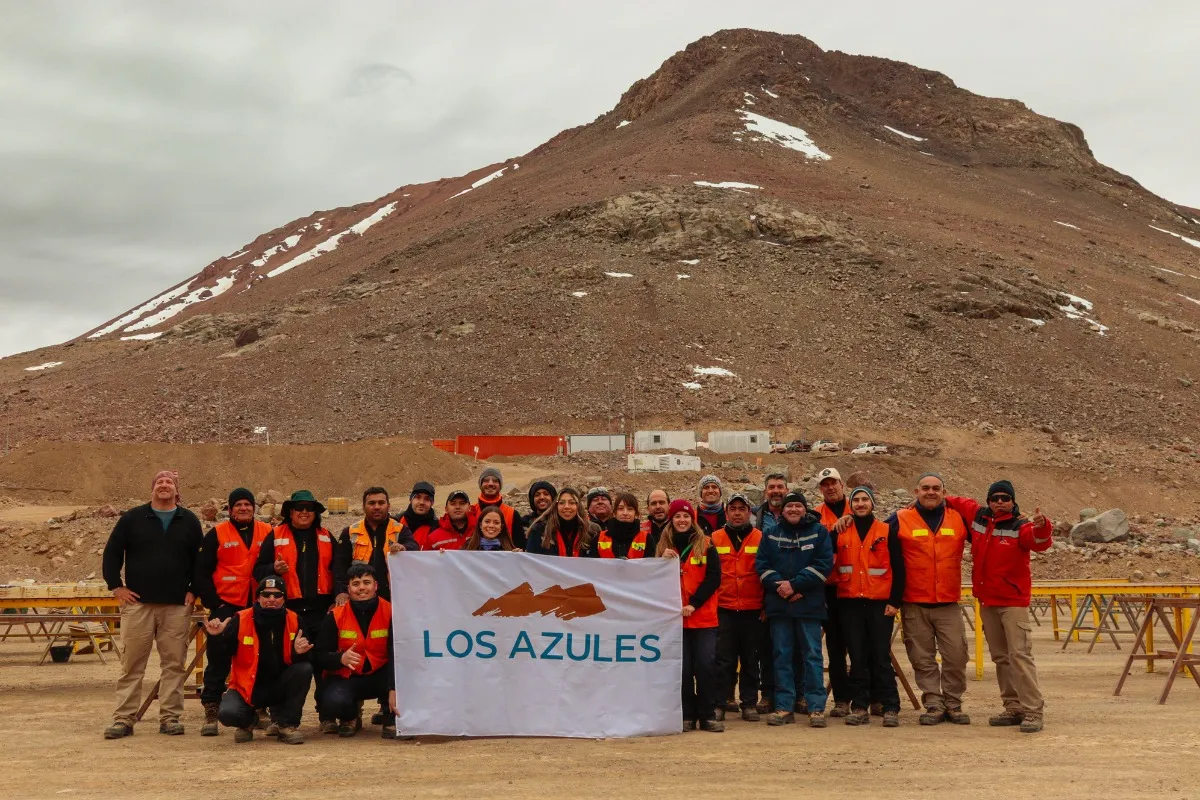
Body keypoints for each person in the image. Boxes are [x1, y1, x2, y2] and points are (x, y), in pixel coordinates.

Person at [102, 470, 203, 739]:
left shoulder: (189, 521)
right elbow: (112, 552)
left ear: (177, 490)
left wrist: (194, 590)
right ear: (152, 489)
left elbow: (199, 560)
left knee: (174, 664)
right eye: (159, 482)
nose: (164, 485)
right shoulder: (132, 518)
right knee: (132, 664)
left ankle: (170, 717)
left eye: (169, 482)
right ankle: (124, 718)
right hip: (138, 605)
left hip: (176, 606)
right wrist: (116, 585)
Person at [946, 480, 1052, 733]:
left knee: (1020, 655)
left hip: (1012, 602)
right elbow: (957, 501)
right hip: (988, 601)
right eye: (995, 498)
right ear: (989, 501)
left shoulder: (1022, 525)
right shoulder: (979, 517)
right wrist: (924, 502)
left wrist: (1043, 526)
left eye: (1005, 498)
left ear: (1013, 501)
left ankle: (1033, 711)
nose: (1000, 502)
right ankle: (1013, 706)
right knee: (1002, 658)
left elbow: (1040, 543)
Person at [889, 472, 971, 726]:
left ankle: (953, 703)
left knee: (956, 655)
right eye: (925, 488)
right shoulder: (900, 518)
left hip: (948, 603)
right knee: (922, 658)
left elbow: (989, 533)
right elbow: (872, 533)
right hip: (915, 603)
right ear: (916, 492)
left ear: (944, 492)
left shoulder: (959, 519)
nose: (931, 492)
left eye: (936, 488)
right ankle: (934, 704)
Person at [254, 490, 337, 730]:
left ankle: (327, 716)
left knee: (324, 664)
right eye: (298, 508)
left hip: (321, 612)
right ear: (290, 512)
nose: (303, 512)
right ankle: (280, 717)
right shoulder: (275, 536)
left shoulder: (327, 536)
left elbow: (338, 571)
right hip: (287, 613)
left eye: (309, 508)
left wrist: (336, 600)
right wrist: (273, 569)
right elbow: (258, 572)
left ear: (315, 513)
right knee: (285, 664)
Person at [194, 487, 273, 737]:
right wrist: (214, 604)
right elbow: (201, 572)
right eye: (237, 505)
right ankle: (211, 709)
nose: (243, 508)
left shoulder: (267, 531)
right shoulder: (216, 534)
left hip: (257, 606)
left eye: (247, 504)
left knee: (260, 657)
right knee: (218, 658)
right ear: (229, 509)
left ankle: (259, 707)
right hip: (226, 606)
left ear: (254, 508)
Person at [755, 490, 833, 728]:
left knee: (812, 657)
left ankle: (816, 707)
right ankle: (784, 706)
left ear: (805, 508)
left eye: (798, 506)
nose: (793, 510)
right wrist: (782, 587)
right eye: (789, 507)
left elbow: (823, 565)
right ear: (783, 510)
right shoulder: (770, 534)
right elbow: (762, 565)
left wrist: (796, 586)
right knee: (782, 656)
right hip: (780, 607)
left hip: (808, 606)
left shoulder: (819, 532)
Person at [206, 575, 314, 744]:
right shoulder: (240, 619)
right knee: (228, 714)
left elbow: (307, 657)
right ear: (258, 597)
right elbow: (221, 658)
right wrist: (217, 637)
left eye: (277, 595)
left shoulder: (295, 619)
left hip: (279, 686)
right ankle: (248, 722)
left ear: (284, 598)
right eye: (266, 595)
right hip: (247, 687)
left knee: (304, 669)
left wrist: (299, 653)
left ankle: (286, 724)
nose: (272, 599)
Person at [833, 487, 904, 728]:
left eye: (865, 500)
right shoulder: (840, 531)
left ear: (873, 504)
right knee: (857, 657)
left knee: (880, 656)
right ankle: (860, 706)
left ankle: (890, 706)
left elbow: (899, 568)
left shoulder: (886, 530)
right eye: (856, 501)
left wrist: (894, 602)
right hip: (850, 603)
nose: (861, 504)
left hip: (879, 605)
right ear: (850, 505)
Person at [657, 499, 722, 732]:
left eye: (686, 516)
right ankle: (687, 713)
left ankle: (708, 714)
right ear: (671, 520)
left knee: (705, 666)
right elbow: (652, 580)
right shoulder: (662, 547)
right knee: (681, 669)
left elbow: (714, 578)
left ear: (692, 519)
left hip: (703, 618)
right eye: (677, 517)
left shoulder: (706, 544)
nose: (682, 520)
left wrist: (694, 604)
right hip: (675, 620)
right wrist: (659, 562)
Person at [314, 563, 397, 739]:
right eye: (356, 583)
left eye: (366, 582)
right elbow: (319, 656)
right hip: (348, 676)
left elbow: (398, 654)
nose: (361, 588)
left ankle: (391, 718)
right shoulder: (335, 616)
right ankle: (350, 717)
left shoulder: (392, 612)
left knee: (407, 683)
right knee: (330, 701)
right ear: (348, 588)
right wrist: (340, 658)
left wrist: (395, 688)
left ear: (376, 586)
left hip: (382, 674)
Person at [711, 493, 764, 722]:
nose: (737, 513)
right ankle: (720, 702)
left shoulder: (760, 538)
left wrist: (766, 606)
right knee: (724, 660)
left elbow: (766, 573)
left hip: (753, 609)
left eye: (741, 509)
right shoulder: (714, 538)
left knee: (751, 659)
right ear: (726, 512)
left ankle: (749, 703)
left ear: (749, 513)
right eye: (732, 508)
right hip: (725, 607)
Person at [333, 487, 417, 605]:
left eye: (381, 503)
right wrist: (341, 591)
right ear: (363, 507)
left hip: (392, 599)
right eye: (371, 503)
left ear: (388, 506)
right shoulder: (350, 532)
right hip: (360, 598)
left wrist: (404, 547)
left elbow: (414, 547)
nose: (377, 507)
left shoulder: (400, 529)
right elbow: (339, 566)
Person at [813, 467, 852, 718]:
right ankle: (841, 700)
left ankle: (867, 698)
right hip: (827, 589)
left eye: (834, 483)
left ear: (842, 484)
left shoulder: (859, 508)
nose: (830, 487)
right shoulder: (815, 515)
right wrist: (832, 531)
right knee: (835, 648)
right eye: (825, 484)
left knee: (860, 647)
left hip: (854, 589)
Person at [754, 471, 789, 715]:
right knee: (765, 647)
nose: (776, 491)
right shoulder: (756, 516)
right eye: (771, 487)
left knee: (793, 647)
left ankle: (795, 694)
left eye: (780, 486)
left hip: (795, 588)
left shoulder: (798, 512)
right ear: (765, 491)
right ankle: (767, 694)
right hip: (765, 587)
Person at [525, 487, 599, 557]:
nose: (566, 506)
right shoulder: (539, 530)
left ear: (578, 506)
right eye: (561, 503)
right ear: (556, 506)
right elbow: (530, 561)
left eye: (572, 502)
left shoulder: (592, 531)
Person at [472, 467, 527, 549]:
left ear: (500, 485)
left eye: (495, 481)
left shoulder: (512, 514)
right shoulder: (471, 511)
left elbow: (521, 546)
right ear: (480, 484)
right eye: (486, 480)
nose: (490, 483)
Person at [590, 493, 650, 559]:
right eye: (620, 509)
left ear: (636, 513)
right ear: (615, 513)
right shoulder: (599, 539)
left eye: (630, 509)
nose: (625, 513)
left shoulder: (647, 539)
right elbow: (593, 566)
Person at [393, 481, 440, 549]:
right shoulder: (396, 521)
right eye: (418, 497)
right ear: (411, 499)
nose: (421, 502)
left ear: (432, 503)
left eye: (427, 499)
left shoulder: (437, 528)